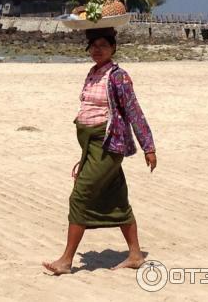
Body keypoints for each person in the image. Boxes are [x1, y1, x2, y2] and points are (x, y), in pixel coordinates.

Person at [43, 28, 157, 275]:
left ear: (113, 48)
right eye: (93, 45)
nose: (97, 49)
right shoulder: (93, 73)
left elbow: (133, 111)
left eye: (103, 45)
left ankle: (66, 260)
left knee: (80, 196)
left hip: (108, 146)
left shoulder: (119, 76)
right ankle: (136, 254)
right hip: (91, 147)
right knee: (116, 198)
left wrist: (148, 146)